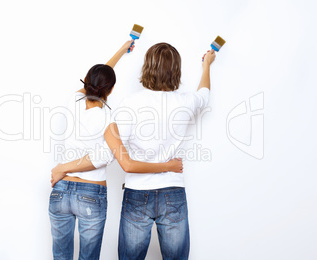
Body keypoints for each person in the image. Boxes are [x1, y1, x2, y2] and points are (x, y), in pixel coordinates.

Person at [53, 43, 216, 259]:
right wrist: (207, 66)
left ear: (146, 67)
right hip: (172, 191)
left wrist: (120, 51)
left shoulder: (128, 105)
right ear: (177, 70)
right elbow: (204, 94)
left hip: (136, 192)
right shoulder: (186, 102)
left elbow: (95, 84)